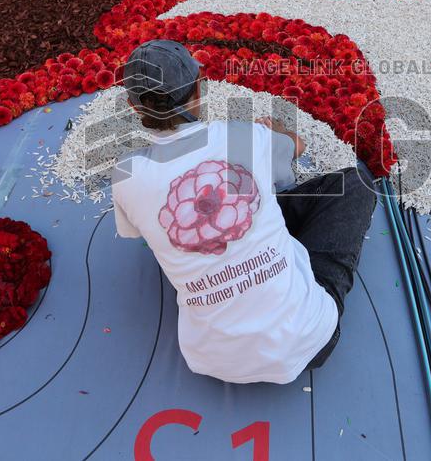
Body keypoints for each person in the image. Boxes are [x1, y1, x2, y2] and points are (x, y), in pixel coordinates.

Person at [111, 40, 377, 384]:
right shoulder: (245, 137)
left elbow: (136, 231)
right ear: (199, 88)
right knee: (355, 184)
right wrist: (275, 133)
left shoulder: (126, 174)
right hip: (310, 339)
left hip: (211, 357)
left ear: (134, 105)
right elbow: (298, 147)